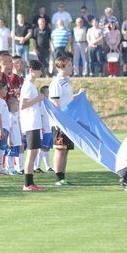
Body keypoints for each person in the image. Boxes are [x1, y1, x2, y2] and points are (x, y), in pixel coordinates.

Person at [49, 56, 76, 186]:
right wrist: (60, 121)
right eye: (69, 65)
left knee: (66, 149)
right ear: (61, 67)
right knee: (60, 149)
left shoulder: (67, 81)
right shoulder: (57, 82)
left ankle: (63, 177)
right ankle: (58, 178)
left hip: (68, 121)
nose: (72, 67)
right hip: (59, 122)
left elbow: (68, 100)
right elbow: (55, 103)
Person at [19, 60, 45, 191]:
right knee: (31, 152)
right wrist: (38, 99)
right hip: (30, 122)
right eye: (39, 70)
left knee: (33, 152)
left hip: (34, 122)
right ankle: (27, 183)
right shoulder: (28, 85)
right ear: (32, 70)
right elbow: (23, 105)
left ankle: (30, 182)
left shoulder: (31, 85)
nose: (41, 72)